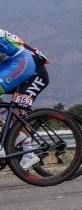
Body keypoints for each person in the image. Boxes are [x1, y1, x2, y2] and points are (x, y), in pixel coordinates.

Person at [0, 29, 49, 172]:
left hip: (31, 71)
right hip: (16, 65)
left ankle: (28, 152)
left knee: (18, 113)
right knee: (13, 115)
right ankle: (8, 129)